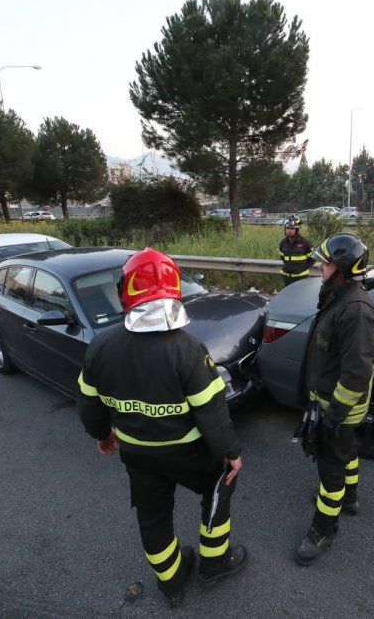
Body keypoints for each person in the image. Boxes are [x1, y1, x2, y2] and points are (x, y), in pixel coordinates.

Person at [76, 248, 248, 608]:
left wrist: (103, 436)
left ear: (125, 292)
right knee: (220, 490)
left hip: (138, 454)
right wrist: (231, 454)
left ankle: (171, 584)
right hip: (190, 454)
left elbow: (89, 405)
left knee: (153, 517)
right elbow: (212, 412)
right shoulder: (187, 349)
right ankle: (215, 564)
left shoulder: (100, 346)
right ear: (174, 291)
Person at [294, 233, 374, 566]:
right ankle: (351, 499)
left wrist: (334, 417)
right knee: (348, 450)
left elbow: (356, 372)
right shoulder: (339, 296)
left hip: (338, 408)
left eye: (326, 262)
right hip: (332, 404)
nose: (320, 266)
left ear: (342, 267)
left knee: (331, 469)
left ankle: (323, 530)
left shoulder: (355, 309)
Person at [278, 217, 314, 287]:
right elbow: (283, 258)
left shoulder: (305, 242)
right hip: (286, 278)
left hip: (301, 278)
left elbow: (312, 259)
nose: (289, 231)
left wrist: (304, 269)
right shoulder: (282, 243)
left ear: (296, 230)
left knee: (300, 297)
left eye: (292, 228)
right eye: (287, 228)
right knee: (287, 297)